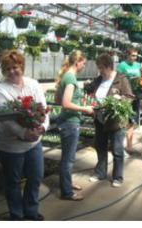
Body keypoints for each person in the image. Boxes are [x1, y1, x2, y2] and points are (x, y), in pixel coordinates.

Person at [0, 50, 49, 221]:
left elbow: (43, 108)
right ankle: (17, 215)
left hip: (34, 142)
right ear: (3, 71)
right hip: (10, 145)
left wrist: (42, 128)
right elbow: (5, 119)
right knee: (13, 181)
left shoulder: (33, 84)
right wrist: (23, 133)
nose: (11, 71)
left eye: (15, 67)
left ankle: (30, 211)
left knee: (36, 176)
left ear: (21, 66)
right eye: (7, 69)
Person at [84, 53, 134, 187]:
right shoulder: (99, 79)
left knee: (117, 150)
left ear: (110, 67)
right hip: (100, 119)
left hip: (116, 121)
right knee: (100, 146)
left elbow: (129, 97)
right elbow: (89, 90)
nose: (100, 71)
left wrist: (120, 100)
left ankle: (118, 177)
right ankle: (100, 172)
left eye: (102, 68)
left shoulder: (121, 79)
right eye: (98, 68)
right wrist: (87, 86)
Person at [55, 50, 94, 201]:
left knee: (68, 157)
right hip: (70, 123)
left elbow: (59, 98)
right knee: (68, 159)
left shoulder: (67, 76)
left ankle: (68, 183)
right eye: (84, 63)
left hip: (66, 121)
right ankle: (66, 193)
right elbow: (65, 103)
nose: (84, 65)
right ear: (78, 62)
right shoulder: (71, 79)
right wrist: (85, 109)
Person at [116, 45, 142, 155]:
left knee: (131, 122)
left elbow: (141, 81)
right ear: (127, 55)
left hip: (135, 97)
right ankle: (118, 146)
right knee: (122, 122)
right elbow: (118, 80)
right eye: (133, 56)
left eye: (136, 56)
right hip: (126, 97)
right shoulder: (122, 66)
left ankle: (129, 146)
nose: (135, 58)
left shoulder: (138, 65)